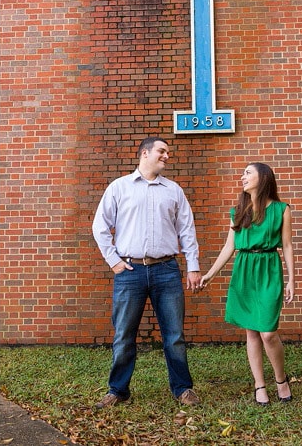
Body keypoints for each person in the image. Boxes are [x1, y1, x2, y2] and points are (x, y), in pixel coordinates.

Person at [92, 136, 202, 408]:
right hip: (129, 272)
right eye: (162, 151)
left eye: (168, 152)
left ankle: (182, 389)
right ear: (144, 153)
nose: (167, 156)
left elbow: (187, 230)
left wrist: (193, 266)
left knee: (174, 335)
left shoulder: (173, 190)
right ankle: (118, 390)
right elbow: (100, 226)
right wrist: (113, 261)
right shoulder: (119, 188)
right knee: (124, 334)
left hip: (166, 270)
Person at [198, 163, 294, 405]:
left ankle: (281, 379)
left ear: (264, 178)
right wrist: (209, 274)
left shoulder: (282, 209)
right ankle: (259, 385)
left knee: (268, 333)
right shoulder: (238, 211)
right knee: (252, 332)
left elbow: (288, 246)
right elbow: (229, 246)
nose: (243, 177)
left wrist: (292, 279)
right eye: (243, 173)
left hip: (269, 268)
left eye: (248, 173)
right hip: (244, 270)